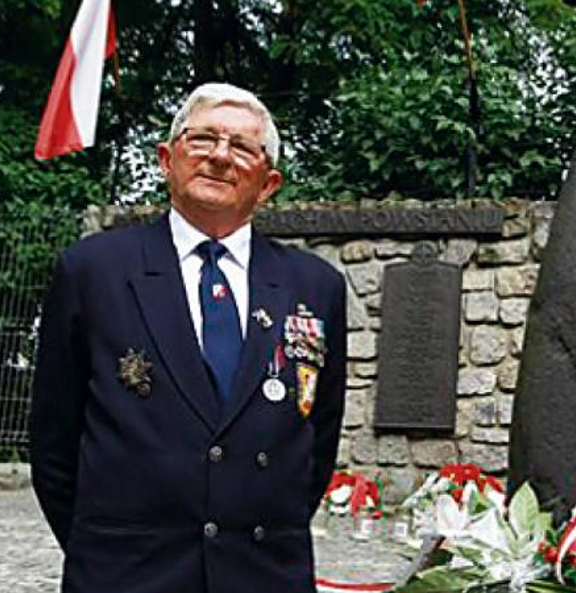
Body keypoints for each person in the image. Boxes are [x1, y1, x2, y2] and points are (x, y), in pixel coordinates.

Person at [29, 82, 347, 593]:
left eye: (243, 147)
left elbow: (317, 437)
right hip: (127, 575)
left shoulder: (315, 286)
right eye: (203, 139)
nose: (220, 156)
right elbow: (53, 443)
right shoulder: (93, 272)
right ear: (166, 159)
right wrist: (108, 549)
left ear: (268, 183)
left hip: (263, 574)